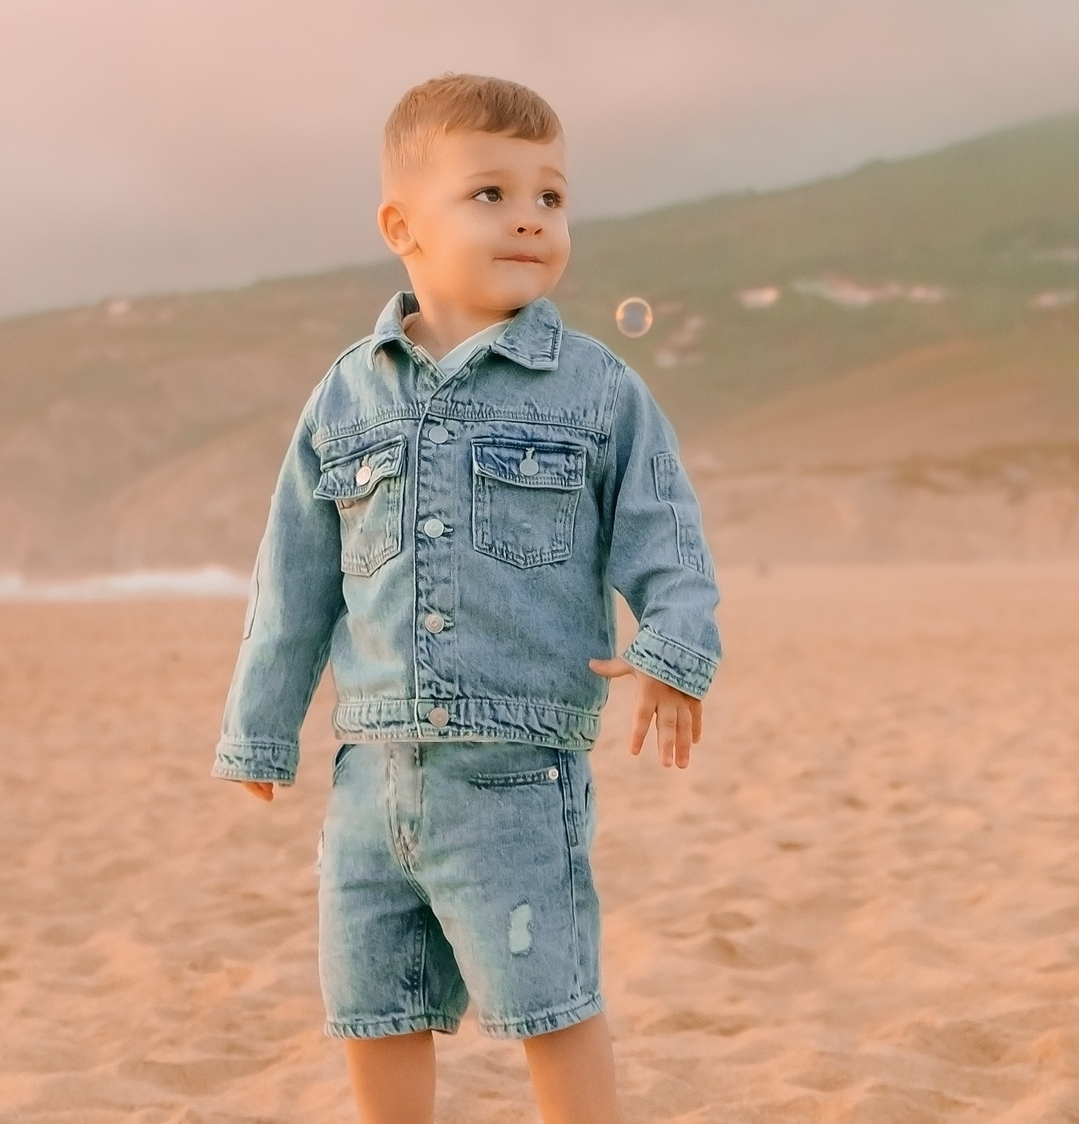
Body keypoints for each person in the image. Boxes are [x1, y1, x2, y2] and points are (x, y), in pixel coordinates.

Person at [215, 73, 723, 1124]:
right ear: (403, 226)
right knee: (375, 1006)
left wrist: (673, 653)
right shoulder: (345, 393)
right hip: (370, 774)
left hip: (515, 777)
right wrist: (261, 732)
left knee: (551, 1001)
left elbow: (663, 534)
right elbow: (293, 577)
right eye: (490, 194)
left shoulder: (594, 389)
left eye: (552, 197)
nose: (531, 218)